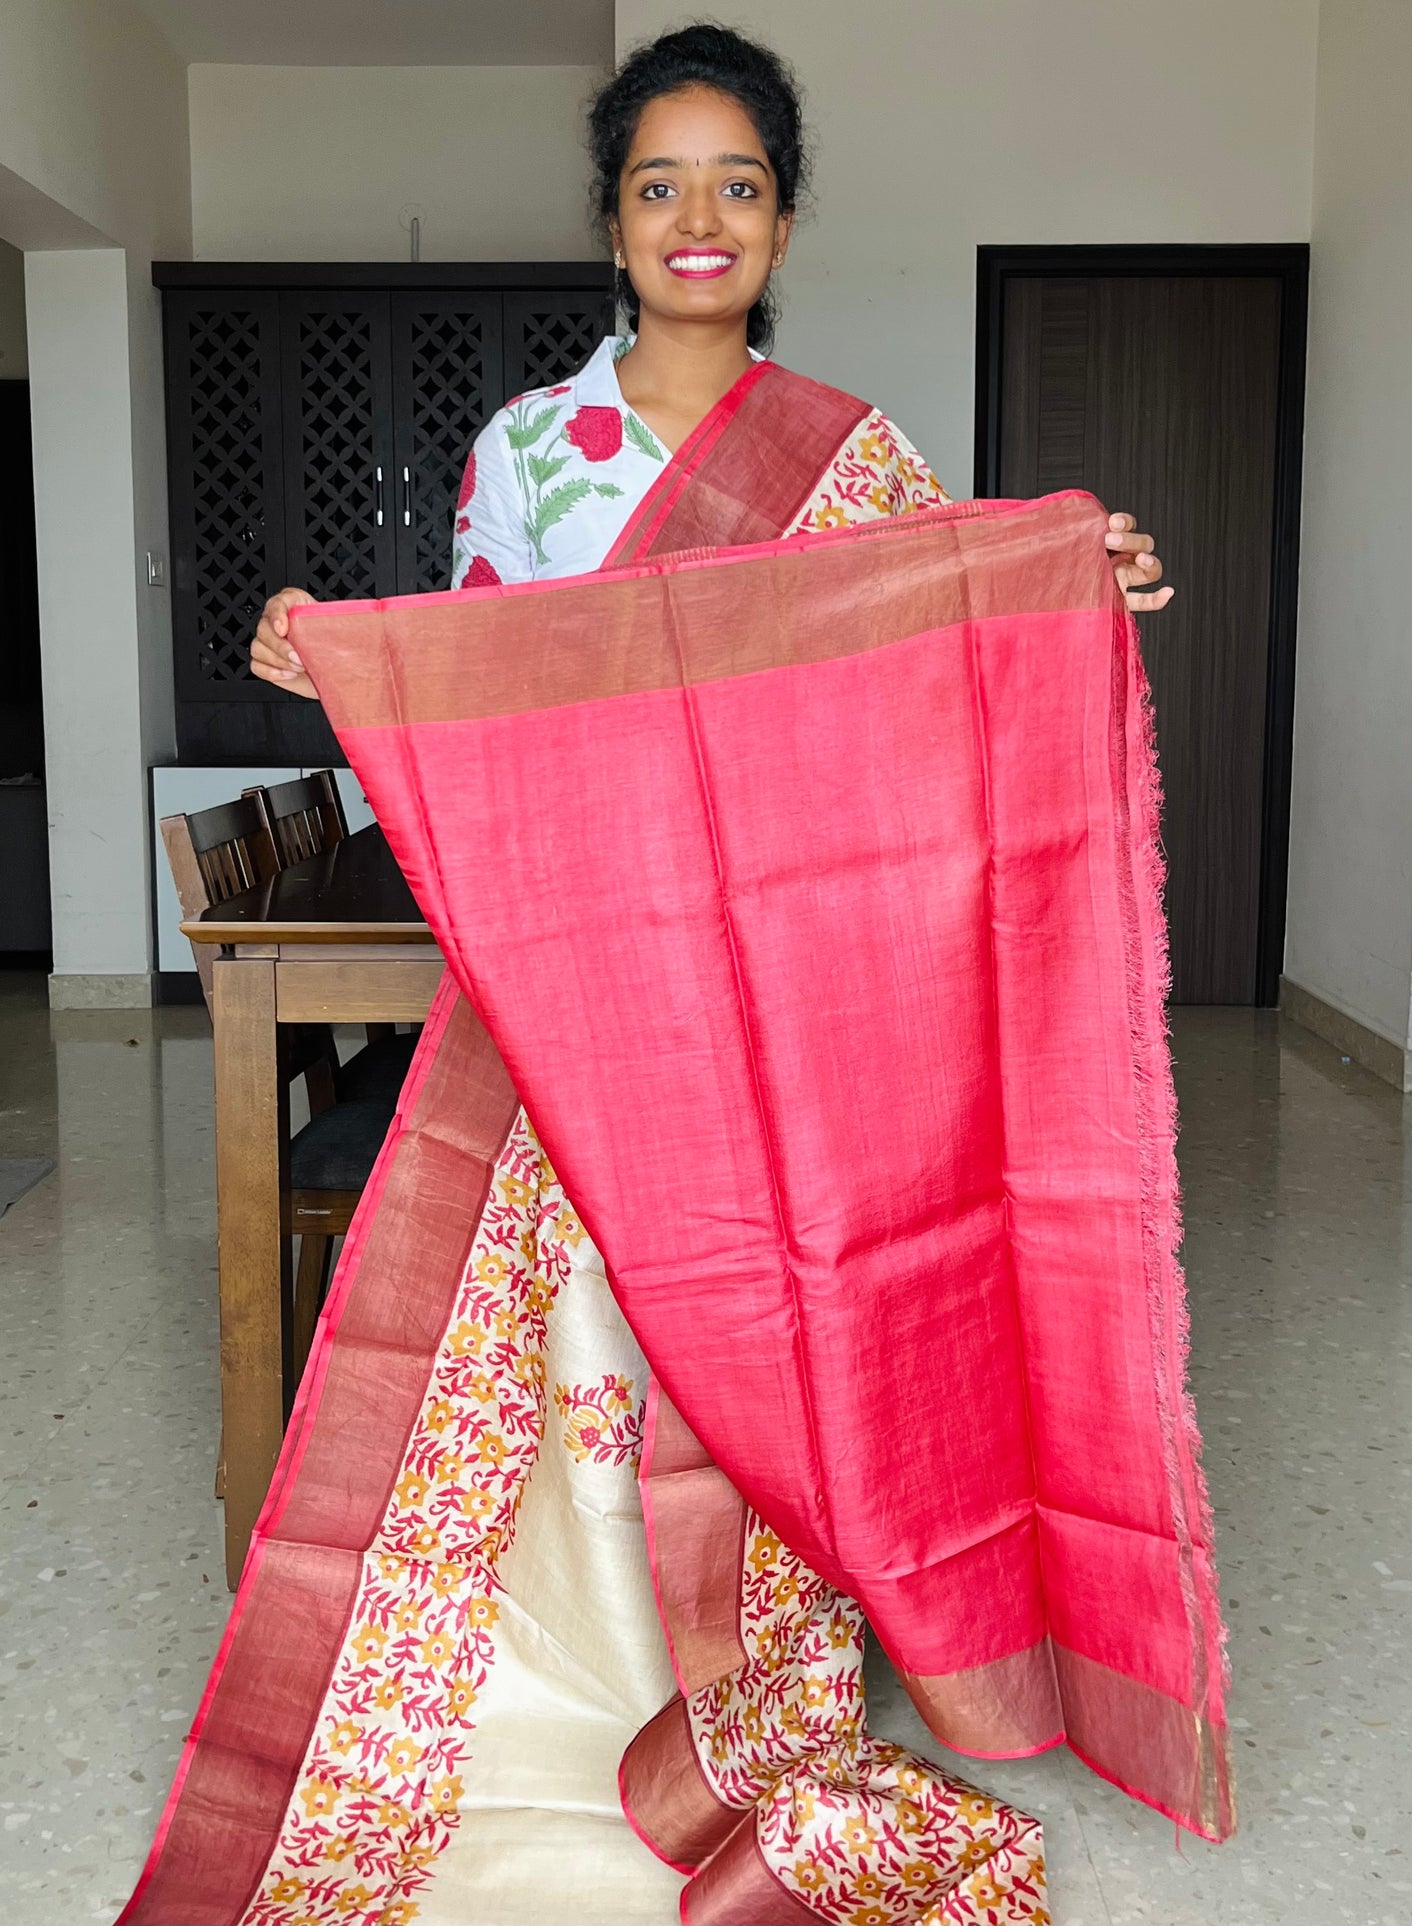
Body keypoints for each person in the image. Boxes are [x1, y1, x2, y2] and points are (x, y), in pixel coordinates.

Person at [132, 26, 1191, 1926]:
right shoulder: (530, 453)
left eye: (736, 185)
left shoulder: (857, 464)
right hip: (567, 987)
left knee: (744, 1329)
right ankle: (546, 1696)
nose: (697, 219)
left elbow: (920, 710)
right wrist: (337, 663)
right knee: (562, 1348)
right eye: (657, 185)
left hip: (766, 1020)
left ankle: (722, 1701)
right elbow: (462, 720)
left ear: (783, 221)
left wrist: (1060, 584)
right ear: (609, 224)